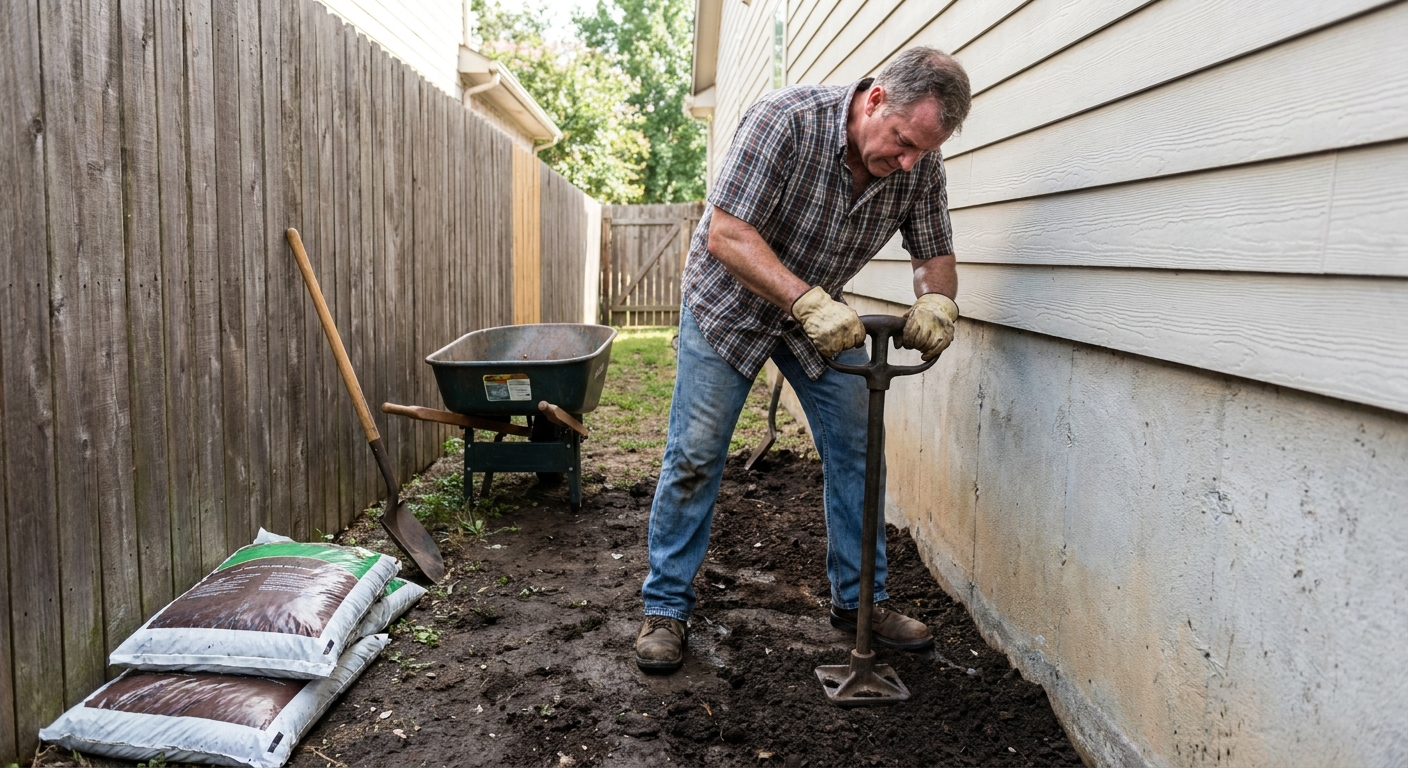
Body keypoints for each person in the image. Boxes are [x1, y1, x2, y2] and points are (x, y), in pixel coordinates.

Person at [635, 47, 971, 672]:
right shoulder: (785, 121)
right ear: (874, 99)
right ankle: (666, 607)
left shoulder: (919, 167)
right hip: (729, 304)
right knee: (697, 452)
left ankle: (859, 604)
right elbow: (726, 235)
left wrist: (939, 302)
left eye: (921, 151)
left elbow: (935, 257)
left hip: (816, 320)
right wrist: (805, 301)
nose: (908, 162)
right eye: (901, 143)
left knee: (858, 449)